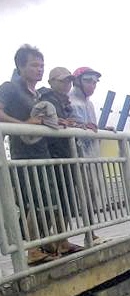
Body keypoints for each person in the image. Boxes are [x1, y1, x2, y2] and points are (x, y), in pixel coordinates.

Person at [0, 44, 58, 265]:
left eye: (42, 65)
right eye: (34, 65)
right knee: (33, 201)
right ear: (20, 66)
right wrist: (23, 125)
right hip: (24, 154)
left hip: (42, 152)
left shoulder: (38, 94)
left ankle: (47, 245)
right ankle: (32, 250)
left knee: (48, 201)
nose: (39, 69)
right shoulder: (10, 88)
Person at [36, 67, 83, 255]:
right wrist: (64, 123)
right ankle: (45, 243)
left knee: (65, 201)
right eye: (63, 80)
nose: (67, 84)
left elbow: (66, 122)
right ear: (52, 82)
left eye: (69, 81)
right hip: (54, 156)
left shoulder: (64, 102)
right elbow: (50, 123)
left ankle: (62, 240)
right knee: (52, 202)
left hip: (65, 156)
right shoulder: (47, 99)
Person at [69, 66, 105, 245]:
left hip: (90, 156)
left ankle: (91, 233)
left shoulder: (89, 104)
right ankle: (84, 235)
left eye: (94, 82)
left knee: (90, 194)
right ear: (77, 81)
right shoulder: (70, 101)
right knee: (78, 196)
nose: (92, 85)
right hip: (76, 155)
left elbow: (93, 127)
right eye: (88, 81)